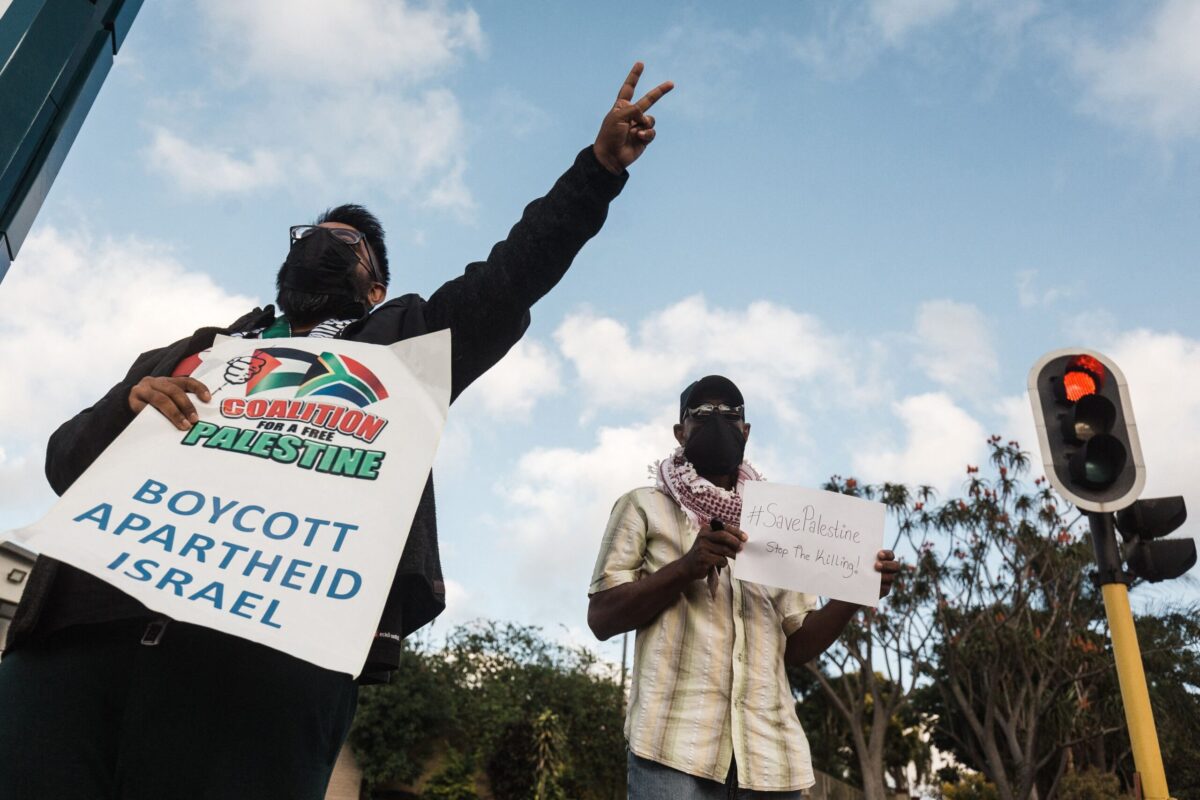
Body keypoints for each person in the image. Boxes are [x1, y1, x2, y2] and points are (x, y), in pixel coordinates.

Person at [0, 63, 673, 800]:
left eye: (348, 244)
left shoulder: (405, 346)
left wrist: (598, 171)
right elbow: (66, 463)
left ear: (376, 285)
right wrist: (126, 413)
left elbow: (512, 275)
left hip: (265, 666)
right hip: (77, 644)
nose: (326, 245)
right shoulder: (196, 349)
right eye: (314, 236)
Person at [587, 375, 902, 799]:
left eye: (731, 414)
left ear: (746, 431)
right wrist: (686, 568)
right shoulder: (643, 505)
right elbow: (602, 617)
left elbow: (797, 645)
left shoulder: (781, 520)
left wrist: (854, 592)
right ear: (680, 432)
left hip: (771, 760)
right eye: (701, 415)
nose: (717, 421)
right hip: (672, 749)